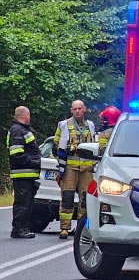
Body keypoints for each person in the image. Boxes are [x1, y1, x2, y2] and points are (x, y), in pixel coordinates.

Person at [53, 100, 96, 240]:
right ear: (71, 110)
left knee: (85, 199)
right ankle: (64, 228)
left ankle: (81, 228)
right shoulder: (63, 125)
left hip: (86, 169)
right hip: (70, 168)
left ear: (84, 109)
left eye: (80, 109)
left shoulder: (91, 125)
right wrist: (61, 167)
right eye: (75, 109)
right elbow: (56, 146)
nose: (77, 111)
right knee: (67, 197)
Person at [6, 106, 41, 239]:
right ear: (26, 115)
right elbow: (16, 154)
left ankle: (24, 227)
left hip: (27, 174)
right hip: (22, 174)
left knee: (27, 203)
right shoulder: (17, 130)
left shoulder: (22, 129)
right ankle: (18, 229)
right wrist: (34, 162)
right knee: (22, 202)